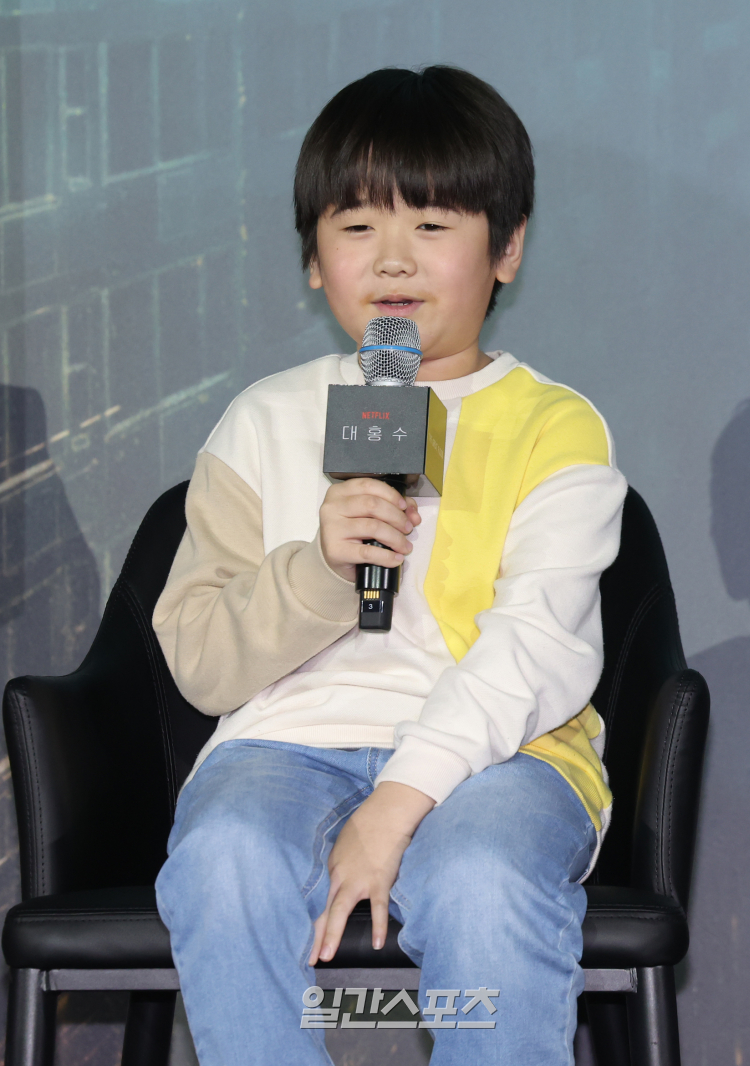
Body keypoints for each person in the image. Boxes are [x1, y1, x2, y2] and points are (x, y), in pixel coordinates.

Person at [153, 65, 627, 1066]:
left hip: (502, 754)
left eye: (434, 223)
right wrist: (322, 570)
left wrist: (395, 803)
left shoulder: (555, 425)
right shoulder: (262, 418)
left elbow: (537, 644)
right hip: (284, 747)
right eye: (358, 225)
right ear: (312, 259)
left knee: (482, 877)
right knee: (223, 857)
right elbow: (199, 660)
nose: (393, 258)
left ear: (506, 248)